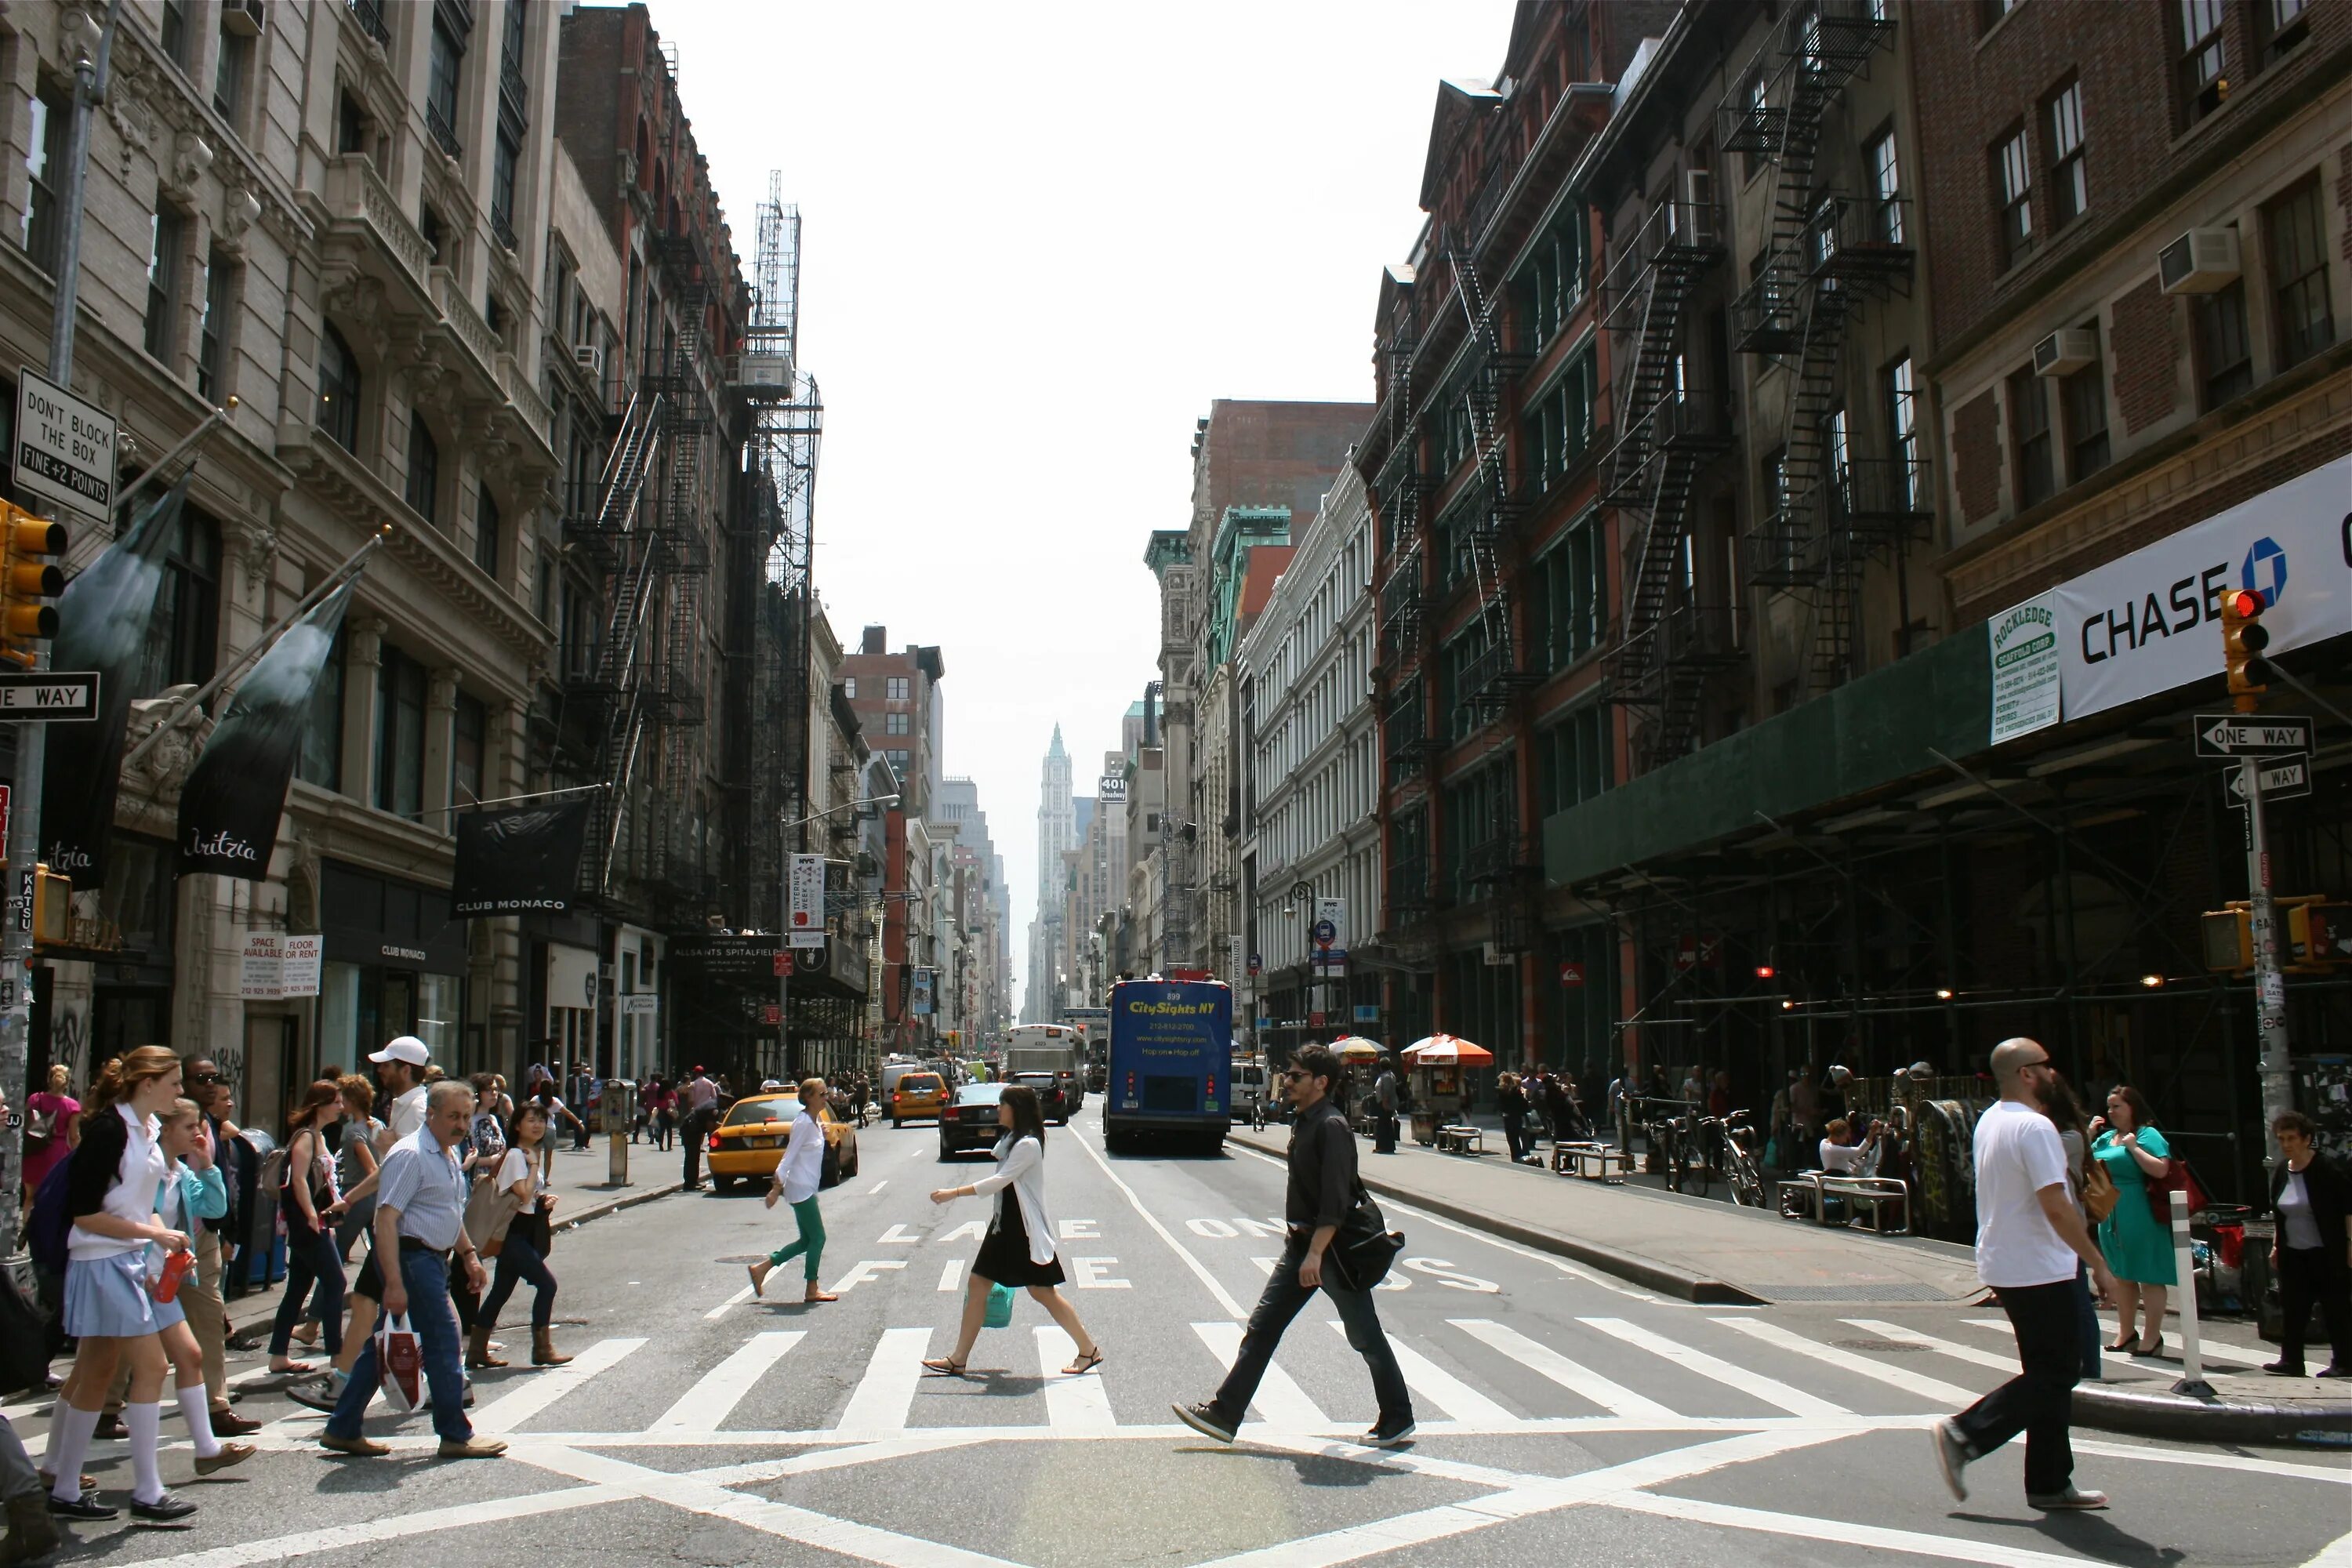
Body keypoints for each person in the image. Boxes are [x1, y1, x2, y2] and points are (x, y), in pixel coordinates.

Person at [46, 1047, 253, 1526]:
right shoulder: (110, 1131)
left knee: (96, 1372)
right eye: (176, 1084)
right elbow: (85, 1213)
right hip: (101, 1262)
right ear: (148, 1084)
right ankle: (146, 1489)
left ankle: (64, 1484)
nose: (182, 1092)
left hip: (125, 1262)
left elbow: (141, 1205)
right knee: (149, 1365)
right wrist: (155, 1234)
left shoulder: (147, 1132)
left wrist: (161, 1240)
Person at [1174, 1044, 1412, 1449]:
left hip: (1332, 1251)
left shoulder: (1331, 1126)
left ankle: (1397, 1417)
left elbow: (1336, 1201)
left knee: (1364, 1336)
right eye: (1288, 1073)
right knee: (1262, 1327)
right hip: (1302, 1246)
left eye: (1296, 1075)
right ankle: (1225, 1413)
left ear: (1321, 1083)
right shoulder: (1304, 1120)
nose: (1286, 1080)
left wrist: (1317, 1253)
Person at [1931, 1037, 2118, 1512]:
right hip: (2041, 1264)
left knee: (2048, 1373)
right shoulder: (2035, 1127)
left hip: (2008, 1260)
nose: (2056, 1074)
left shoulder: (1991, 1119)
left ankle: (2050, 1483)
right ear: (2029, 1074)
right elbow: (2055, 1204)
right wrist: (2098, 1263)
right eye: (2047, 1065)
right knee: (2060, 1371)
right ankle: (1965, 1433)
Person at [316, 1080, 506, 1461]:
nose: (461, 1124)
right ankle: (455, 1432)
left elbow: (447, 1212)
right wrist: (395, 1282)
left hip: (433, 1258)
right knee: (444, 1339)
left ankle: (342, 1427)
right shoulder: (412, 1154)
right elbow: (386, 1220)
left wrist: (468, 1253)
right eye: (453, 1116)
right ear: (431, 1114)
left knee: (383, 1345)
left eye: (466, 1116)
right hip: (413, 1259)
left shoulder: (447, 1154)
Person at [921, 1085, 1102, 1377]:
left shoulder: (1027, 1145)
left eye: (1002, 1105)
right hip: (1005, 1222)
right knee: (979, 1284)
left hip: (1022, 1228)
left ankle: (1088, 1349)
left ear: (1016, 1110)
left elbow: (999, 1182)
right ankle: (959, 1358)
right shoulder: (1011, 1141)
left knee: (1043, 1292)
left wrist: (953, 1192)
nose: (997, 1111)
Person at [296, 1036, 430, 1411]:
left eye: (388, 1064)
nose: (380, 1070)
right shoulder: (402, 1107)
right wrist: (351, 1198)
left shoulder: (417, 1108)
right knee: (394, 1306)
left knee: (376, 1304)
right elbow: (392, 1167)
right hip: (405, 1226)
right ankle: (451, 1381)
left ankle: (340, 1388)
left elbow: (415, 1166)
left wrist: (390, 1143)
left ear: (406, 1069)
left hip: (405, 1227)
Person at [470, 1101, 571, 1369]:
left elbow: (529, 1197)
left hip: (524, 1230)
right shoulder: (517, 1155)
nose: (538, 1125)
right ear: (517, 1125)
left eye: (541, 1120)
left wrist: (543, 1200)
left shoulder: (528, 1153)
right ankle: (542, 1349)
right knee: (547, 1285)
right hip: (513, 1233)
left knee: (500, 1292)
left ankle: (476, 1350)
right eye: (531, 1120)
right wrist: (535, 1165)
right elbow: (522, 1193)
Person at [268, 1081, 349, 1375]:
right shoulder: (306, 1137)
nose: (341, 1107)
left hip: (317, 1220)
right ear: (320, 1104)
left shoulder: (319, 1136)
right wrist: (312, 1217)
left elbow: (323, 1183)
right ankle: (337, 1354)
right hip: (307, 1224)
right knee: (336, 1282)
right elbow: (298, 1180)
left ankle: (278, 1354)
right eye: (336, 1102)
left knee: (298, 1288)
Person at [2265, 1110, 2352, 1378]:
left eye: (2292, 1138)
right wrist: (2276, 1245)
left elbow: (2348, 1209)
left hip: (2326, 1251)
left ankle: (2344, 1362)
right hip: (2294, 1251)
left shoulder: (2326, 1169)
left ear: (2306, 1139)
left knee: (2335, 1307)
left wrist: (2350, 1244)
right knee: (2293, 1307)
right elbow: (2279, 1211)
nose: (2287, 1144)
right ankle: (2291, 1360)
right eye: (2282, 1139)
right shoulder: (2282, 1171)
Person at [2090, 1084, 2176, 1356]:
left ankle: (2152, 1337)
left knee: (2148, 1274)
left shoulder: (2147, 1134)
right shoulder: (2105, 1140)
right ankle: (2126, 1332)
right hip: (2110, 1209)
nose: (2111, 1111)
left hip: (2139, 1209)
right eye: (2109, 1106)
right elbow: (2081, 1164)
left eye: (2117, 1106)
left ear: (2132, 1108)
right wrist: (2088, 1135)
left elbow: (2162, 1170)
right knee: (2122, 1275)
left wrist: (2134, 1148)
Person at [747, 1078, 842, 1305]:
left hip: (806, 1187)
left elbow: (812, 1141)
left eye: (826, 1093)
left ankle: (762, 1268)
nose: (825, 1097)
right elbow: (788, 1157)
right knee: (818, 1238)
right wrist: (775, 1188)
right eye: (821, 1094)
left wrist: (822, 1129)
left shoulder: (813, 1121)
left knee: (806, 1241)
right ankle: (812, 1287)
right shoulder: (802, 1123)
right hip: (800, 1189)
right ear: (808, 1097)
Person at [2038, 1072, 2107, 1382]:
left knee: (2078, 1299)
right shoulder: (2057, 1135)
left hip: (2068, 1226)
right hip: (2048, 1227)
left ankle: (2090, 1368)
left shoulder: (2068, 1138)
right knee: (2060, 1301)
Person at [332, 1075, 384, 1262]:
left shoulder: (355, 1132)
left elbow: (372, 1168)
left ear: (352, 1101)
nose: (339, 1104)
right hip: (377, 1198)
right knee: (379, 1256)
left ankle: (327, 1292)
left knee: (337, 1253)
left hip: (357, 1196)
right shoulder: (379, 1125)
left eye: (342, 1100)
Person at [20, 1062, 80, 1221]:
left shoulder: (34, 1099)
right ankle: (42, 1232)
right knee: (51, 1197)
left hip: (33, 1149)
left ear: (49, 1079)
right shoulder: (72, 1106)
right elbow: (74, 1136)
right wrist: (78, 1157)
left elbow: (25, 1123)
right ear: (67, 1082)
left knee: (30, 1196)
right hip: (56, 1153)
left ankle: (26, 1227)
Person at [681, 1065, 720, 1190]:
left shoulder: (694, 1084)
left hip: (696, 1118)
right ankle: (691, 1182)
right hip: (695, 1123)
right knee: (693, 1155)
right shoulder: (710, 1084)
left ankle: (692, 1181)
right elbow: (713, 1098)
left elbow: (691, 1101)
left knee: (693, 1155)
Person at [1496, 1072, 1532, 1164]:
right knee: (1517, 1136)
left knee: (1511, 1139)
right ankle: (1519, 1155)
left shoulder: (1502, 1091)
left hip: (1508, 1117)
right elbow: (1525, 1105)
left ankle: (1515, 1156)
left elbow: (1499, 1103)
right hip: (1518, 1116)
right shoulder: (1517, 1091)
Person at [1370, 1058, 1399, 1155]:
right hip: (1384, 1103)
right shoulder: (1388, 1075)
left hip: (1385, 1103)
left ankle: (1383, 1147)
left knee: (1382, 1125)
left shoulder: (1387, 1076)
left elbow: (1386, 1091)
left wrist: (1385, 1103)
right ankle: (1387, 1146)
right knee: (1385, 1125)